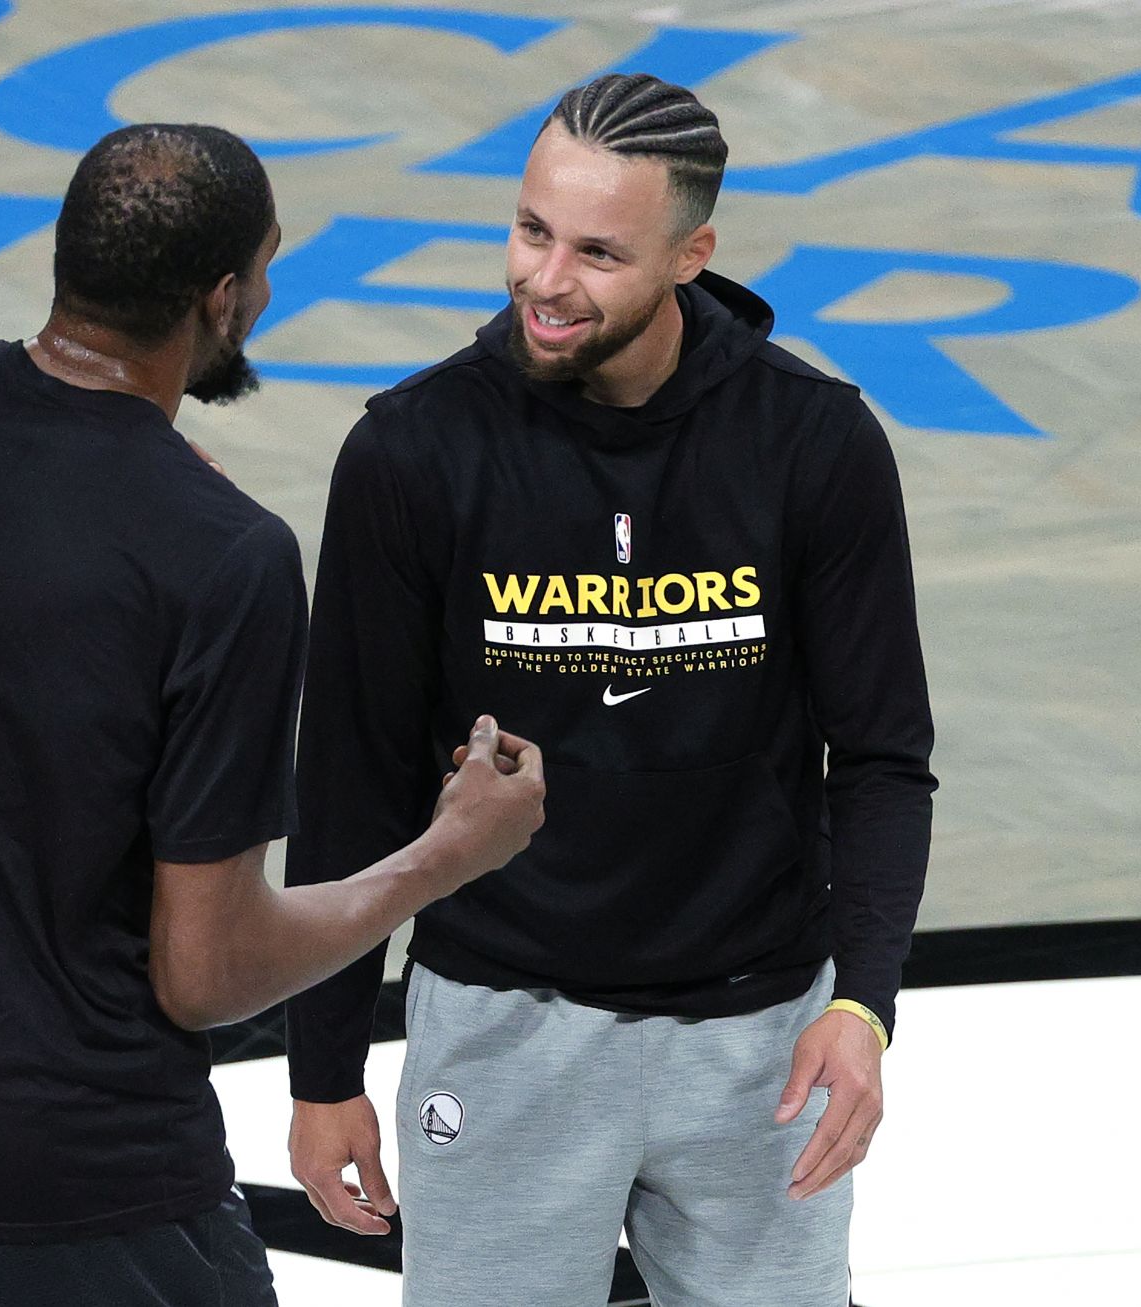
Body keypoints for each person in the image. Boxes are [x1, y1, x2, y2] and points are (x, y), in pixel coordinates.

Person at [0, 123, 545, 1307]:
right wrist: (443, 855)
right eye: (264, 267)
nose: (266, 291)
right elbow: (205, 970)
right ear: (222, 296)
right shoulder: (222, 557)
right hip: (79, 1185)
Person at [284, 75, 937, 1305]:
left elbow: (885, 756)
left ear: (693, 254)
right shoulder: (413, 450)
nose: (545, 279)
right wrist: (322, 1072)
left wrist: (862, 1005)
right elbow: (351, 783)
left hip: (762, 1043)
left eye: (596, 251)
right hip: (500, 1021)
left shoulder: (814, 443)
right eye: (532, 230)